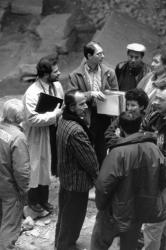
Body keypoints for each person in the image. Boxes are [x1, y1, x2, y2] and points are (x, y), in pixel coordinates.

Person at [90, 111, 166, 250]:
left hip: (114, 211)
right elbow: (163, 181)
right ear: (139, 126)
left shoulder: (117, 153)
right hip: (138, 210)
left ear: (121, 128)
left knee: (99, 243)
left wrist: (102, 207)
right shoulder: (154, 149)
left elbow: (103, 186)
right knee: (129, 245)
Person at [55, 90, 99, 250]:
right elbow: (89, 161)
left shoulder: (63, 120)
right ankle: (66, 246)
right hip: (77, 183)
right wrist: (97, 179)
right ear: (71, 107)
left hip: (66, 178)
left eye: (85, 102)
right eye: (81, 104)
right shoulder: (76, 131)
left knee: (65, 215)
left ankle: (60, 243)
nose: (86, 107)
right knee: (73, 218)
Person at [23, 55, 64, 213]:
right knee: (37, 166)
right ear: (46, 74)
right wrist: (55, 115)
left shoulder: (57, 86)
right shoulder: (32, 93)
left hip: (53, 131)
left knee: (48, 165)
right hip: (38, 134)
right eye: (56, 71)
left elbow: (62, 103)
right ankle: (33, 201)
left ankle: (44, 199)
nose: (59, 73)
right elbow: (32, 118)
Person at [69, 41, 118, 166]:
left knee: (102, 150)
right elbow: (71, 97)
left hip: (105, 116)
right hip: (85, 116)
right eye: (99, 54)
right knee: (86, 149)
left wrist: (108, 94)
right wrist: (90, 94)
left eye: (103, 53)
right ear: (89, 56)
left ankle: (101, 178)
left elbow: (116, 94)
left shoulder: (109, 72)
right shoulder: (75, 75)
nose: (103, 56)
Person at [141, 84, 166, 250]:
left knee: (154, 222)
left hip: (164, 180)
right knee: (162, 224)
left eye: (160, 99)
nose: (155, 101)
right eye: (156, 97)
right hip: (153, 176)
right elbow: (140, 134)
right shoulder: (154, 116)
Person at [0, 99, 30, 250]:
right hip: (9, 188)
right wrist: (24, 190)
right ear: (19, 117)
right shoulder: (18, 137)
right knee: (10, 226)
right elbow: (22, 171)